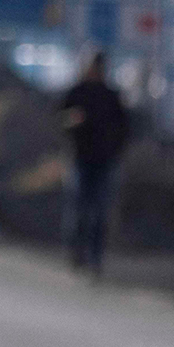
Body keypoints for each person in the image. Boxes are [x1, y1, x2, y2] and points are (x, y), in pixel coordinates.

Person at [57, 52, 130, 275]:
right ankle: (76, 253)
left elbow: (125, 128)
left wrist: (116, 149)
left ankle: (96, 258)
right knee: (78, 209)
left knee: (99, 213)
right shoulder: (76, 93)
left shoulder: (111, 96)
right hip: (80, 158)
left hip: (105, 162)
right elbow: (60, 119)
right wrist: (73, 120)